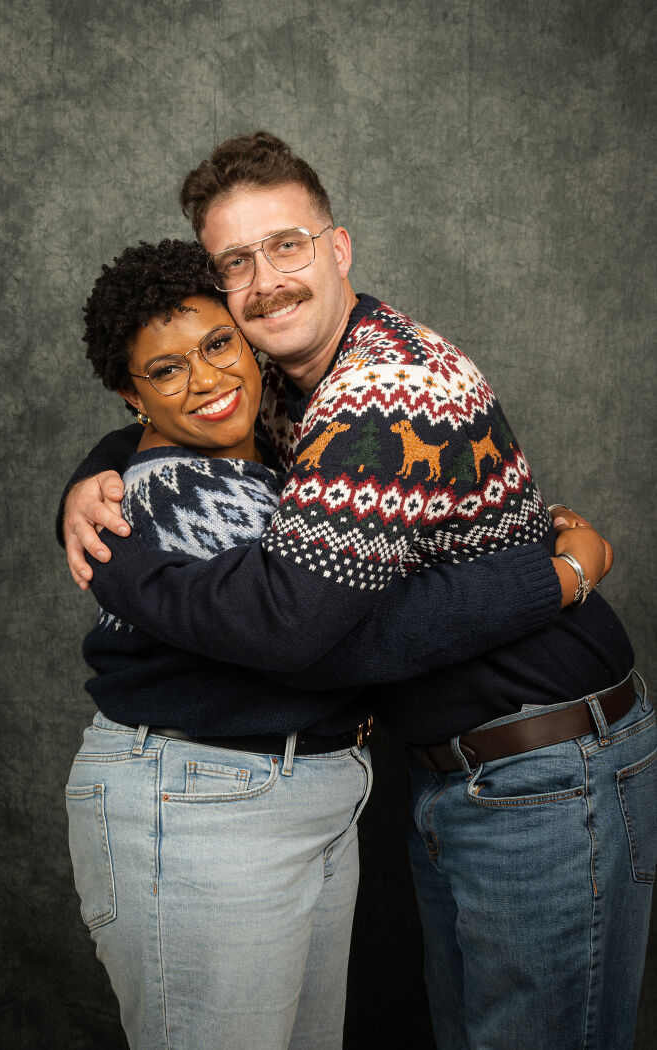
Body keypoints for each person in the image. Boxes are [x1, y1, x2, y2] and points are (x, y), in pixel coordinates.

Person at [59, 133, 653, 1050]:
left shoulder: (377, 392)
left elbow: (297, 629)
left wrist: (556, 578)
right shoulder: (297, 385)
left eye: (287, 245)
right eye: (237, 263)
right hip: (467, 769)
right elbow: (183, 419)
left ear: (338, 249)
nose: (267, 281)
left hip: (542, 765)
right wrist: (98, 477)